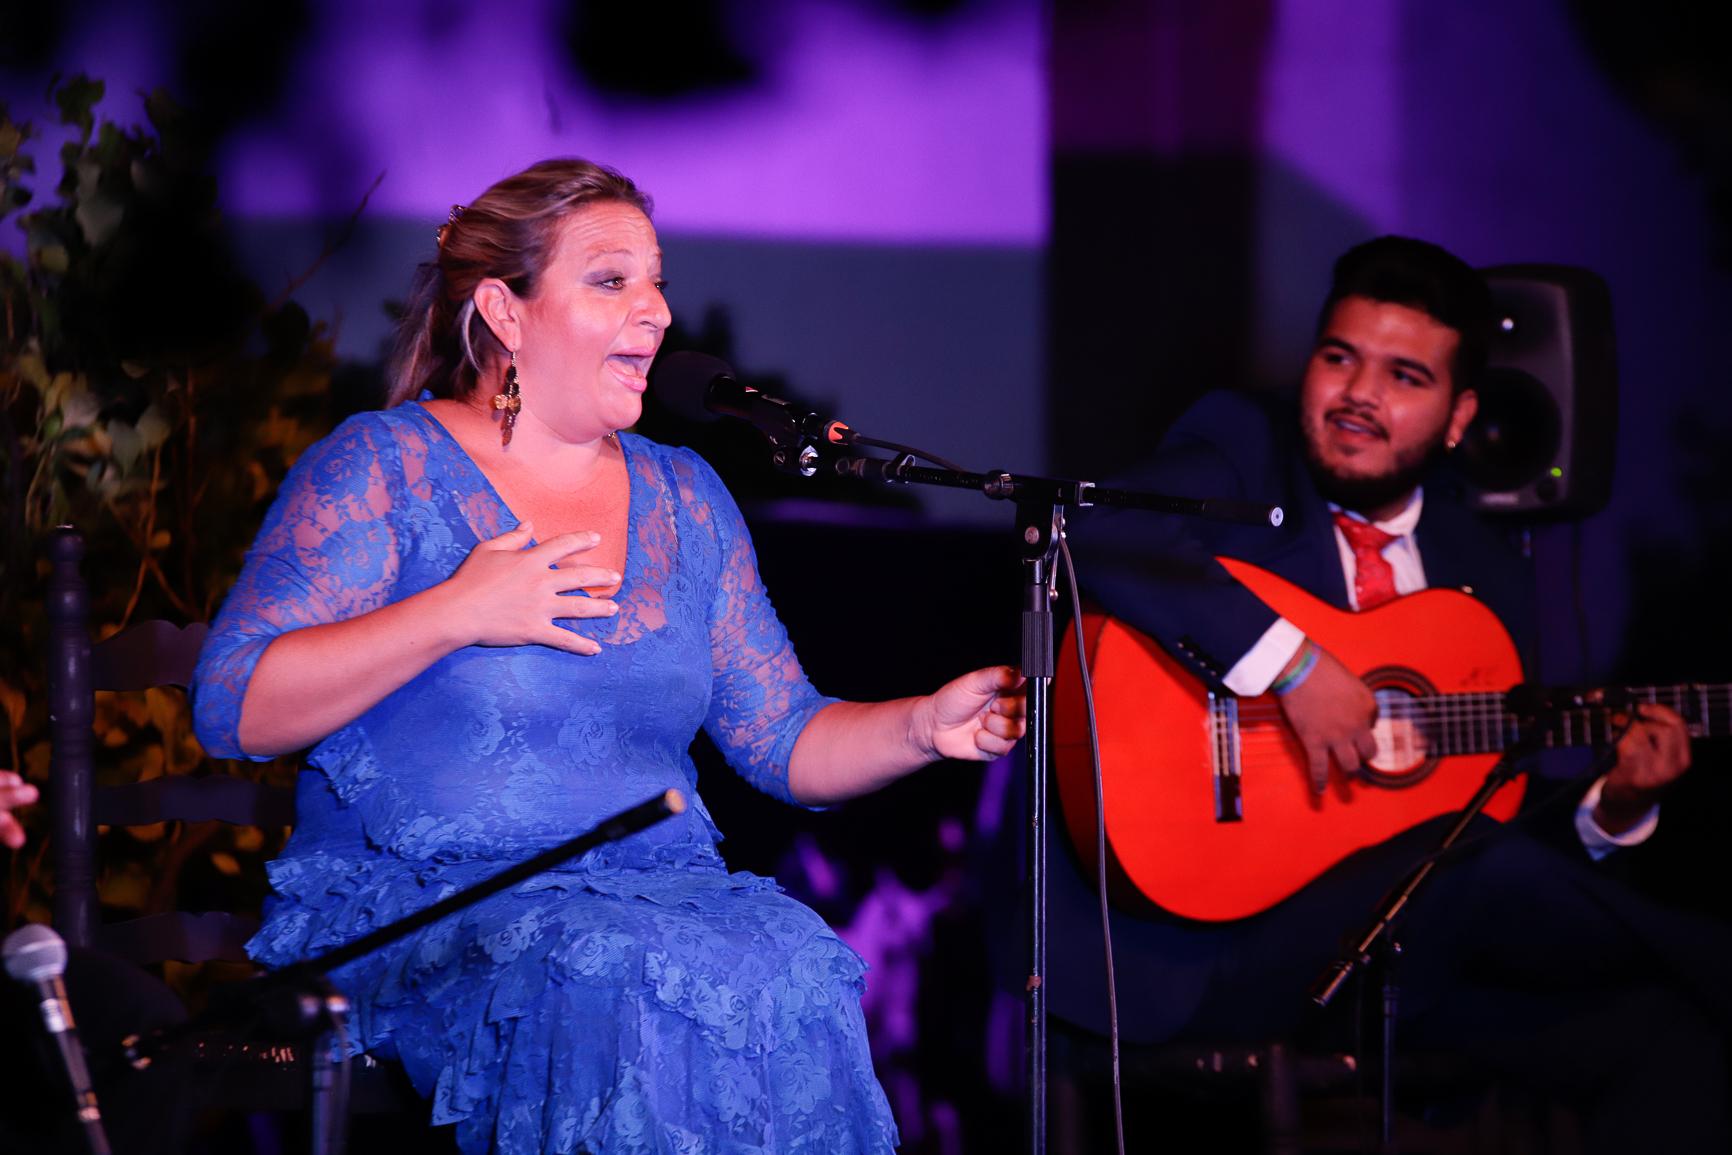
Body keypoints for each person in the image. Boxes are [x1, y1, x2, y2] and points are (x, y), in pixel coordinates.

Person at [190, 158, 1026, 1155]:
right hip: (429, 911)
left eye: (657, 279)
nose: (657, 312)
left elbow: (784, 740)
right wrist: (453, 612)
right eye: (611, 279)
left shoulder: (686, 497)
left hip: (649, 904)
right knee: (611, 969)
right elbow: (230, 704)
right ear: (505, 312)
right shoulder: (384, 467)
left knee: (795, 964)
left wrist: (924, 727)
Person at [1054, 236, 1731, 1151]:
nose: (1359, 395)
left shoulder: (1485, 566)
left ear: (1460, 418)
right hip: (1222, 942)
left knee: (1664, 1037)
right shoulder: (1248, 448)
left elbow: (1484, 806)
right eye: (1339, 358)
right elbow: (1096, 526)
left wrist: (1615, 807)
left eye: (1405, 375)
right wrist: (1291, 668)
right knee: (1492, 871)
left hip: (1413, 965)